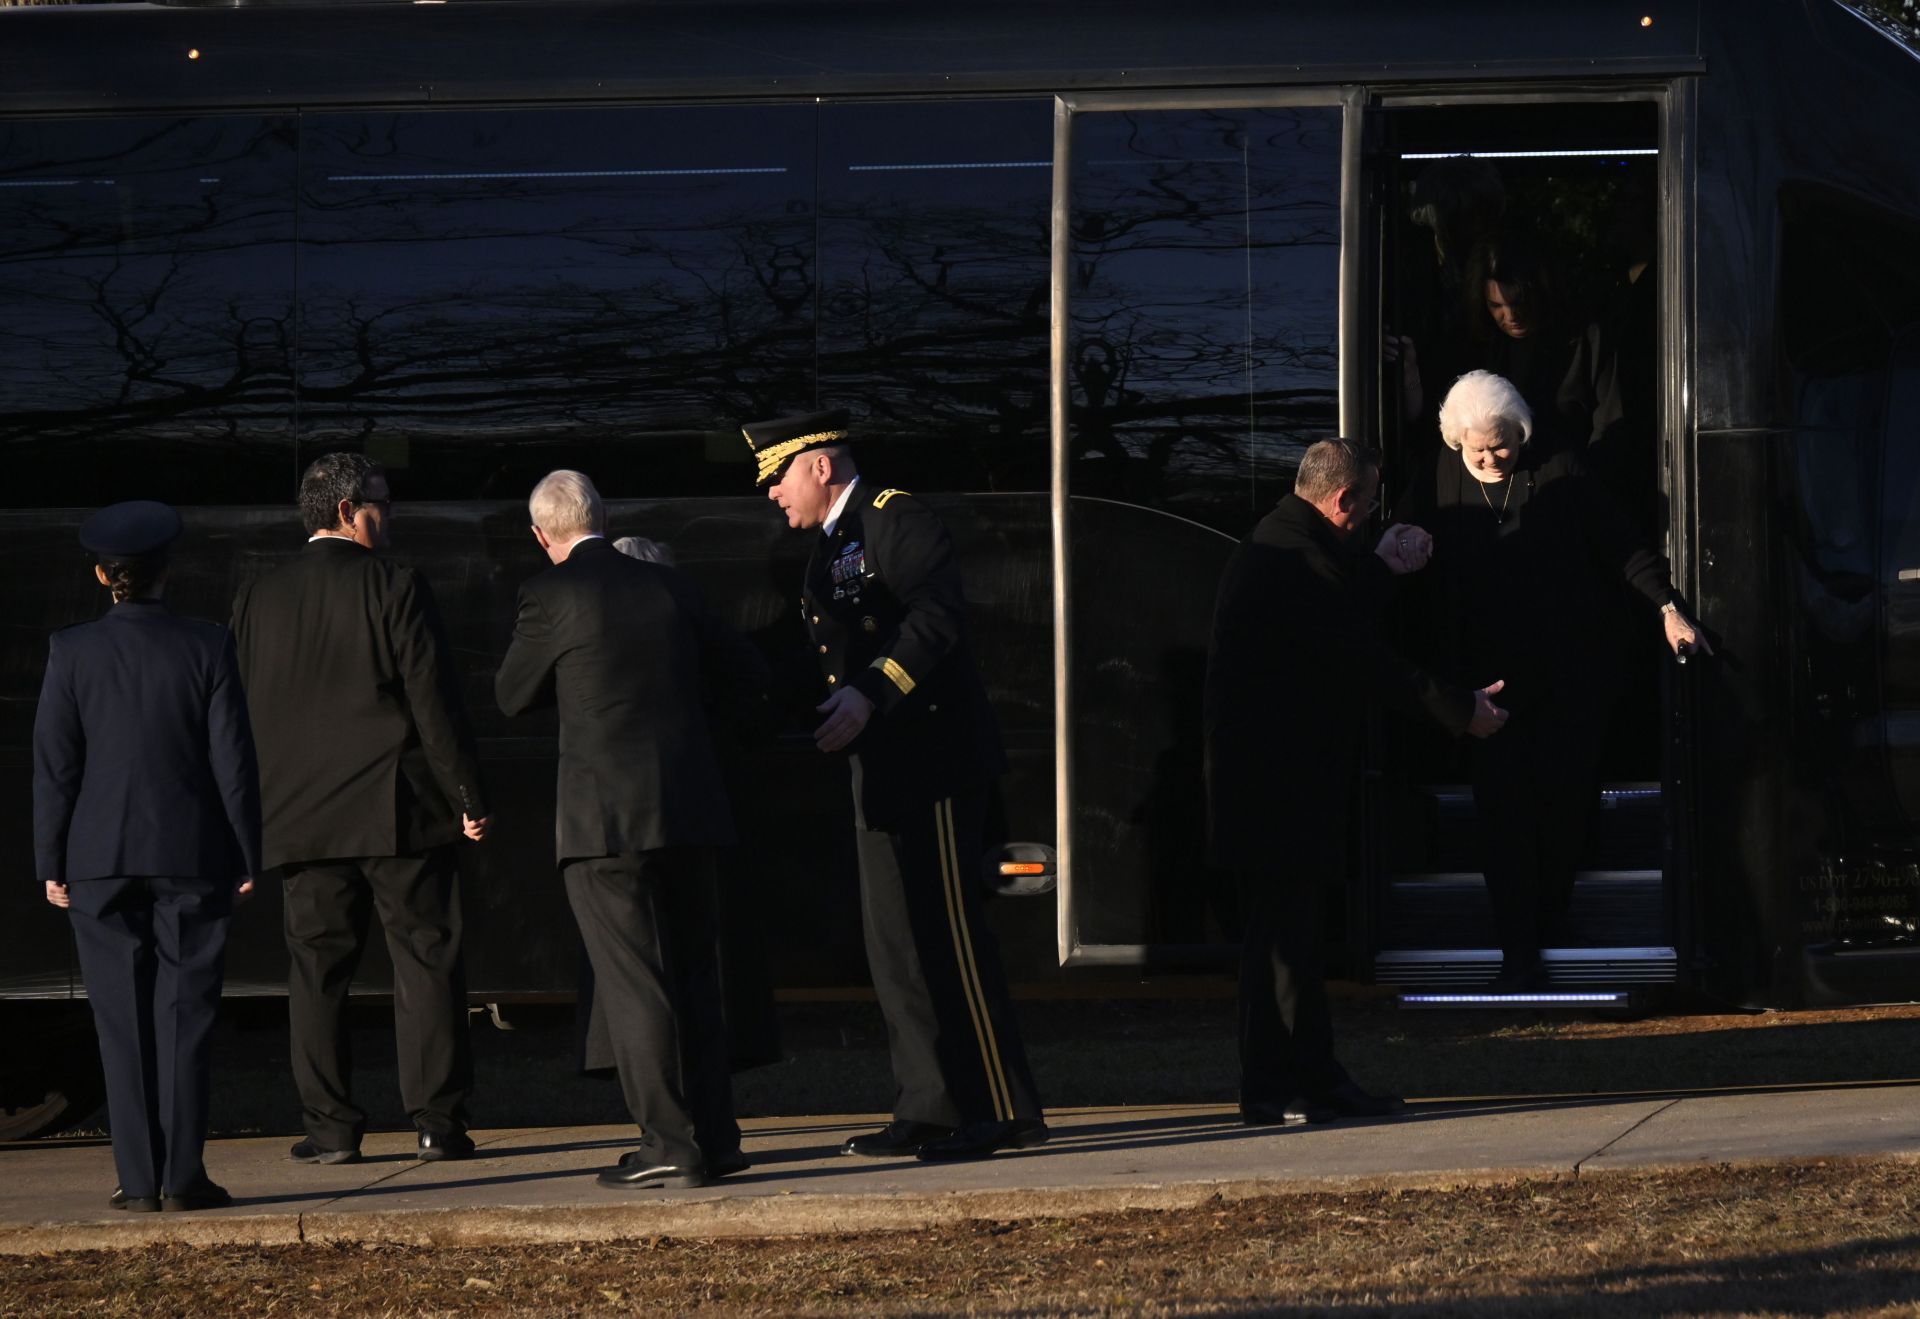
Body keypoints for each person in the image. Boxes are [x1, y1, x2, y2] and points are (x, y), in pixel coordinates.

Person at [745, 408, 1046, 1161]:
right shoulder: (829, 548)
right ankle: (930, 1104)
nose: (773, 495)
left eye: (777, 477)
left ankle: (999, 1108)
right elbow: (816, 660)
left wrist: (872, 692)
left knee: (947, 939)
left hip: (935, 763)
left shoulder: (895, 518)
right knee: (896, 947)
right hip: (881, 772)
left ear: (820, 464)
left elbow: (937, 619)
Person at [1205, 439, 1508, 1127]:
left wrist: (1378, 566)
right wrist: (1460, 710)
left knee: (1288, 942)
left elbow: (1335, 615)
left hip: (1269, 782)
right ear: (1343, 498)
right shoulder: (1294, 557)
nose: (1367, 516)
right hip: (1278, 785)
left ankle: (1300, 1080)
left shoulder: (1285, 542)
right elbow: (1363, 658)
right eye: (1368, 505)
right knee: (1281, 941)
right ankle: (1285, 1083)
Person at [495, 471, 768, 1190]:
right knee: (696, 974)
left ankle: (668, 1143)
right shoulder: (673, 587)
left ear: (540, 534)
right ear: (604, 515)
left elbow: (510, 694)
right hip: (689, 804)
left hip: (602, 817)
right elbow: (744, 671)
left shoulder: (547, 594)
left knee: (634, 980)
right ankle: (718, 1135)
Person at [1404, 371, 1707, 989]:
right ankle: (1519, 948)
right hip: (1484, 688)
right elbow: (1402, 548)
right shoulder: (1436, 477)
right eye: (1477, 448)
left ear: (1521, 432)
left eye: (1502, 445)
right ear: (1456, 440)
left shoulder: (1561, 470)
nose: (1490, 458)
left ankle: (1551, 922)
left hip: (1568, 677)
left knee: (1566, 808)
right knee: (1502, 815)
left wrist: (1667, 608)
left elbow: (1621, 544)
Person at [230, 453, 491, 1165]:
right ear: (347, 511)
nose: (390, 515)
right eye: (380, 503)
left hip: (298, 816)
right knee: (426, 958)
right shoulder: (395, 583)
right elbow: (432, 702)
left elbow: (241, 712)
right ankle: (437, 1122)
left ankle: (330, 1128)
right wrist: (467, 794)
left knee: (316, 972)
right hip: (396, 810)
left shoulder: (258, 596)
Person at [33, 501, 262, 1212]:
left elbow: (55, 766)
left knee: (119, 1022)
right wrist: (247, 849)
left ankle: (137, 1180)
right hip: (191, 852)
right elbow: (234, 763)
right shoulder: (208, 645)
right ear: (168, 571)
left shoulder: (70, 651)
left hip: (97, 856)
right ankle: (184, 1176)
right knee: (184, 1015)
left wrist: (52, 859)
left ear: (105, 576)